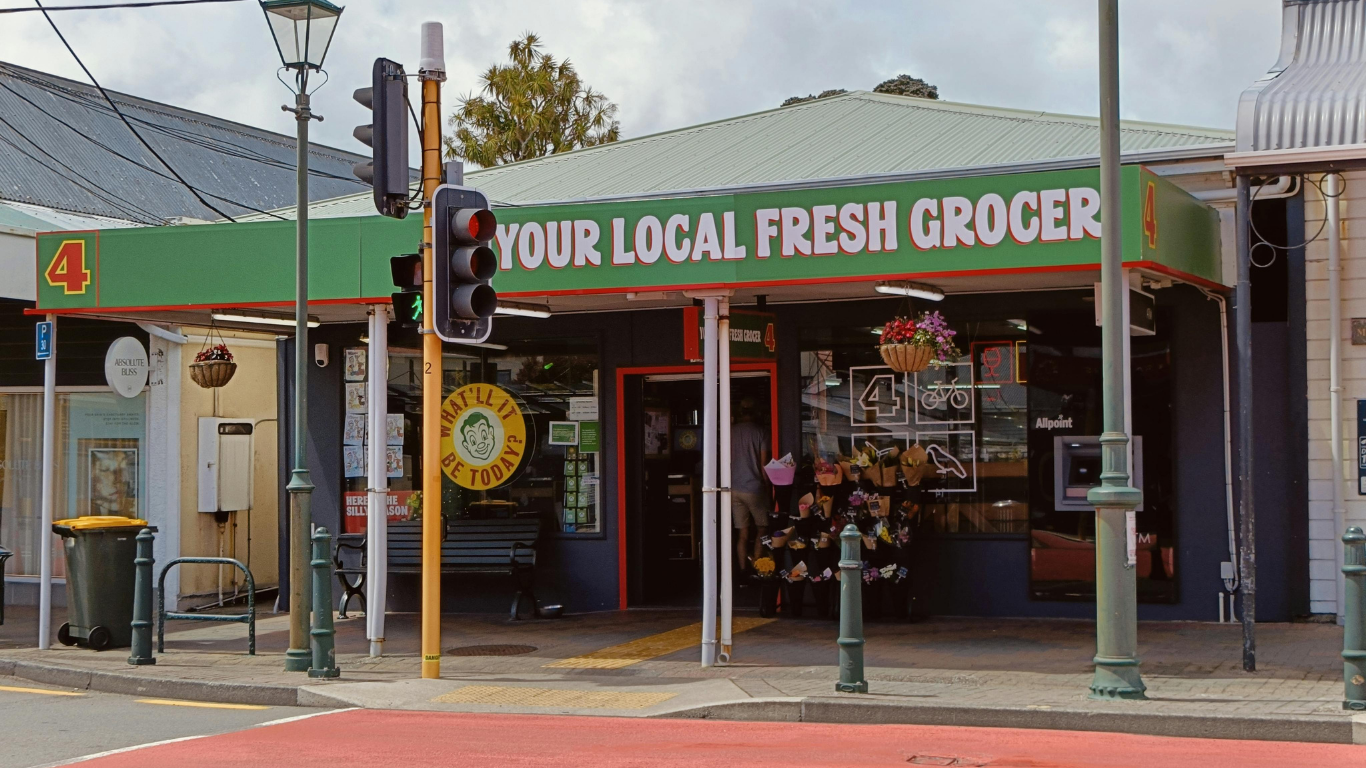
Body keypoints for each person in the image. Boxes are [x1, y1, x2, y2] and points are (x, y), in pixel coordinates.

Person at [730, 396, 771, 574]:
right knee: (762, 528)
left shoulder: (730, 432)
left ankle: (742, 571)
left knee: (742, 533)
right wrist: (769, 485)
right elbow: (764, 467)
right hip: (753, 488)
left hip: (734, 488)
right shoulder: (761, 432)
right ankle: (758, 567)